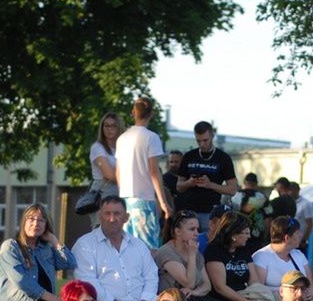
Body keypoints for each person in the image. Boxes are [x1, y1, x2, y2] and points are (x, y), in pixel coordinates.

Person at [71, 195, 160, 301]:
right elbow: (87, 281)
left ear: (126, 217)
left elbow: (151, 275)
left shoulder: (138, 245)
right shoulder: (85, 244)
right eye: (107, 214)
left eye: (117, 214)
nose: (112, 219)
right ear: (99, 216)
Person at [0, 203, 77, 301]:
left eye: (41, 220)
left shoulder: (46, 249)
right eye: (31, 219)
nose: (36, 223)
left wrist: (53, 239)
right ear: (24, 222)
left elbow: (70, 263)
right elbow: (22, 281)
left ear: (46, 225)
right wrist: (53, 298)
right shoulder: (11, 247)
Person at [115, 95, 173, 249]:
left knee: (126, 247)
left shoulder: (122, 138)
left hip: (125, 199)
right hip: (144, 199)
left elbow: (118, 172)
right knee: (148, 248)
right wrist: (163, 202)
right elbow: (154, 171)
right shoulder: (151, 138)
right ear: (151, 114)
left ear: (133, 112)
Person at [177, 121, 238, 227]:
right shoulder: (189, 156)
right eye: (198, 140)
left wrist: (210, 185)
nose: (202, 144)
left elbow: (232, 189)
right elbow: (179, 186)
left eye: (205, 140)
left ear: (212, 136)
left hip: (210, 212)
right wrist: (190, 182)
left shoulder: (223, 158)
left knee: (208, 236)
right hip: (189, 211)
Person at [88, 112, 122, 229]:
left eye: (113, 126)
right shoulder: (97, 147)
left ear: (119, 128)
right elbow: (110, 175)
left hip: (119, 193)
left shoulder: (122, 147)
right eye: (106, 125)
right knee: (102, 229)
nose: (109, 129)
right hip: (103, 192)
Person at [232, 172, 269, 248]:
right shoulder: (262, 197)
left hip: (238, 234)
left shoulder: (235, 196)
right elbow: (268, 218)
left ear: (244, 182)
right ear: (256, 184)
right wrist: (265, 235)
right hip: (257, 236)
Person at [290, 181, 313, 246]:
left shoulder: (305, 204)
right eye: (289, 190)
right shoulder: (288, 202)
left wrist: (303, 240)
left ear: (297, 190)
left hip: (299, 241)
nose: (290, 192)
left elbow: (310, 224)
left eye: (292, 190)